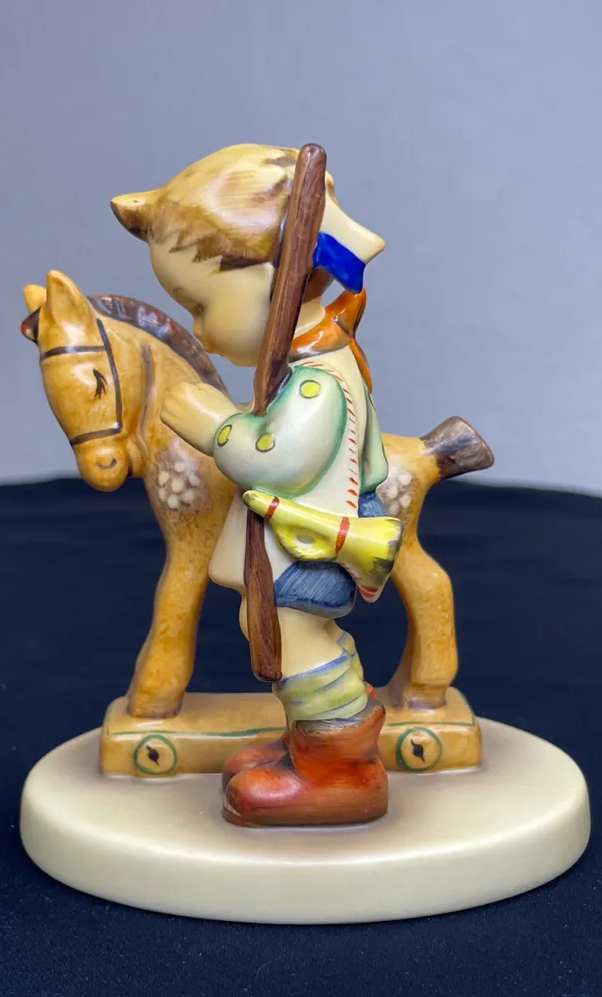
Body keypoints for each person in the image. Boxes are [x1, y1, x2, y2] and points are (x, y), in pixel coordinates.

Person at [111, 144, 396, 826]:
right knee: (279, 630)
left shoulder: (319, 379)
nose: (200, 331)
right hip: (299, 534)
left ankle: (341, 768)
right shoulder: (307, 364)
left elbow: (279, 457)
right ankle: (315, 738)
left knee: (296, 634)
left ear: (273, 276)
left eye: (202, 304)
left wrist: (217, 427)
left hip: (316, 541)